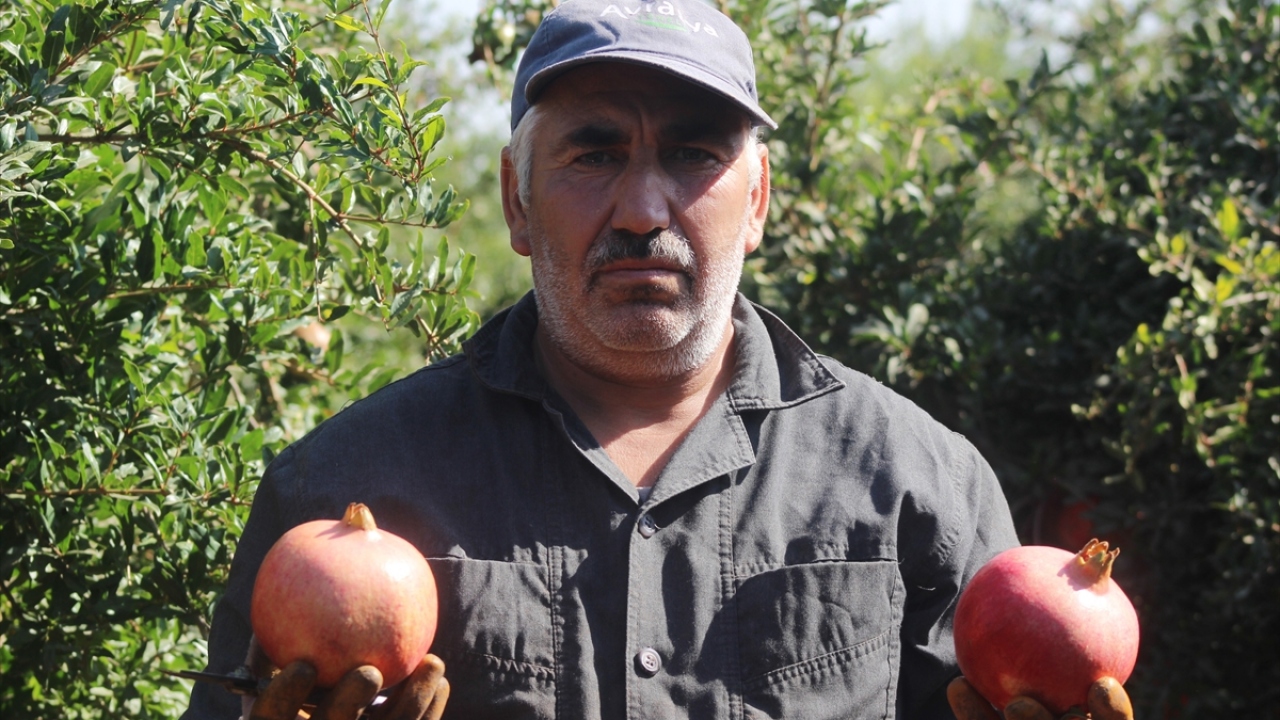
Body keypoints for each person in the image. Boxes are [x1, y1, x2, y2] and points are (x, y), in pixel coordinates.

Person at [182, 2, 1134, 719]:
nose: (643, 210)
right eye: (593, 157)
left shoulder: (918, 484)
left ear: (757, 201)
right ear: (516, 201)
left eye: (691, 156)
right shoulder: (344, 484)